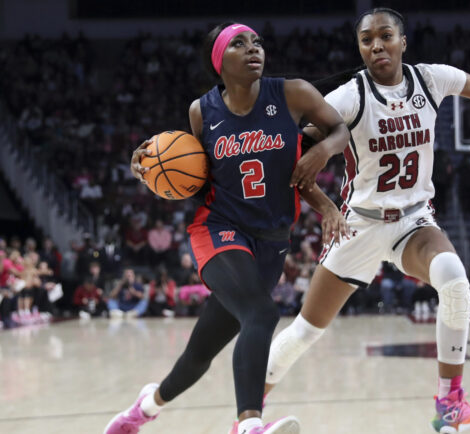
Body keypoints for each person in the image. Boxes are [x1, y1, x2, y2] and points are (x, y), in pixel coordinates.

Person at [261, 8, 470, 433]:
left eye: (385, 36)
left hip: (413, 221)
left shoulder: (431, 80)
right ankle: (248, 414)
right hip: (358, 225)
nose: (376, 45)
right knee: (306, 331)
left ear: (403, 41)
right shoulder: (347, 98)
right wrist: (325, 208)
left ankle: (449, 406)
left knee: (453, 278)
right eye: (366, 40)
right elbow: (297, 164)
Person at [105, 22, 349, 434]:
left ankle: (143, 409)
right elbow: (196, 176)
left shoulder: (293, 93)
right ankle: (248, 424)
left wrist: (324, 150)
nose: (254, 49)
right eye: (239, 43)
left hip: (271, 241)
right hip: (218, 229)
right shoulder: (201, 111)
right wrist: (149, 168)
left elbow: (339, 128)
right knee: (261, 313)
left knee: (199, 355)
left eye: (257, 42)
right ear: (220, 62)